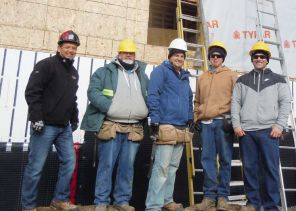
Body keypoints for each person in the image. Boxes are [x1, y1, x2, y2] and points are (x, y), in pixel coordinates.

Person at [80, 39, 149, 211]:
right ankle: (101, 202)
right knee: (107, 165)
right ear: (118, 54)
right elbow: (93, 92)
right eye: (125, 52)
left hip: (134, 128)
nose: (128, 55)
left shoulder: (142, 75)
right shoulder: (104, 72)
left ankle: (122, 201)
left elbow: (149, 95)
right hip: (111, 126)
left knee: (127, 167)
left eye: (131, 53)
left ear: (135, 55)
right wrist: (108, 107)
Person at [22, 30, 80, 211]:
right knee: (35, 168)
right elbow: (32, 92)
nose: (71, 50)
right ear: (59, 47)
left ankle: (59, 200)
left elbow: (72, 98)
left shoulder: (73, 72)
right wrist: (36, 117)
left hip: (64, 128)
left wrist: (74, 118)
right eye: (67, 47)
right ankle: (28, 206)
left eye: (73, 48)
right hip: (44, 126)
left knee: (69, 163)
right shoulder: (46, 65)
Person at [231, 41, 292, 211]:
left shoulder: (278, 80)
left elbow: (286, 103)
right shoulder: (242, 80)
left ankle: (271, 206)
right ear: (252, 59)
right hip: (247, 132)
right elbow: (235, 103)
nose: (258, 59)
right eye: (255, 56)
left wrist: (279, 125)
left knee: (270, 170)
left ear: (267, 59)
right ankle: (253, 204)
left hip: (269, 131)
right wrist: (236, 124)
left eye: (262, 56)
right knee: (249, 169)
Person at [186, 41, 238, 211]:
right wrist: (197, 118)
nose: (215, 58)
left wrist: (232, 121)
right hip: (206, 124)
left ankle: (222, 198)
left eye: (218, 56)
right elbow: (197, 101)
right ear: (209, 58)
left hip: (223, 123)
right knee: (207, 160)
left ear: (223, 58)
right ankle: (209, 198)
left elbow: (237, 101)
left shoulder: (231, 75)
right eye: (212, 56)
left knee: (224, 160)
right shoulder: (202, 77)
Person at [145, 38, 193, 211]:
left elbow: (188, 98)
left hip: (181, 127)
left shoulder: (184, 77)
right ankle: (153, 206)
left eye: (182, 56)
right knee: (161, 169)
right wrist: (155, 118)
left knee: (172, 168)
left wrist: (190, 117)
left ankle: (167, 200)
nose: (179, 58)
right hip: (165, 125)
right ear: (170, 55)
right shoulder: (160, 71)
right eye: (176, 55)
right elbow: (153, 95)